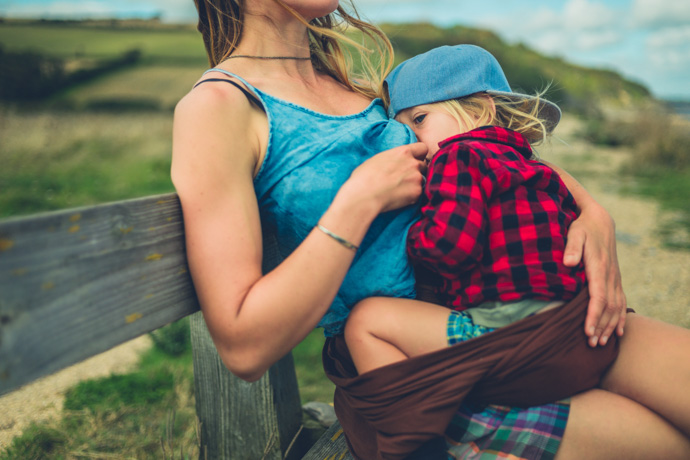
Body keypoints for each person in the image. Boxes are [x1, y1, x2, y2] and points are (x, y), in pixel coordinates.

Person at [171, 1, 690, 459]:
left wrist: (591, 211)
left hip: (514, 309)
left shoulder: (362, 87)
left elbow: (481, 149)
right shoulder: (219, 108)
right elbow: (242, 345)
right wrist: (359, 201)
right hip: (420, 369)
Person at [344, 44, 589, 374]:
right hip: (572, 322)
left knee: (366, 323)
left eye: (420, 119)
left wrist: (411, 231)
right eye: (405, 130)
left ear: (479, 110)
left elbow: (449, 247)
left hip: (509, 331)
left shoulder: (456, 156)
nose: (412, 141)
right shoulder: (525, 162)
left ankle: (415, 422)